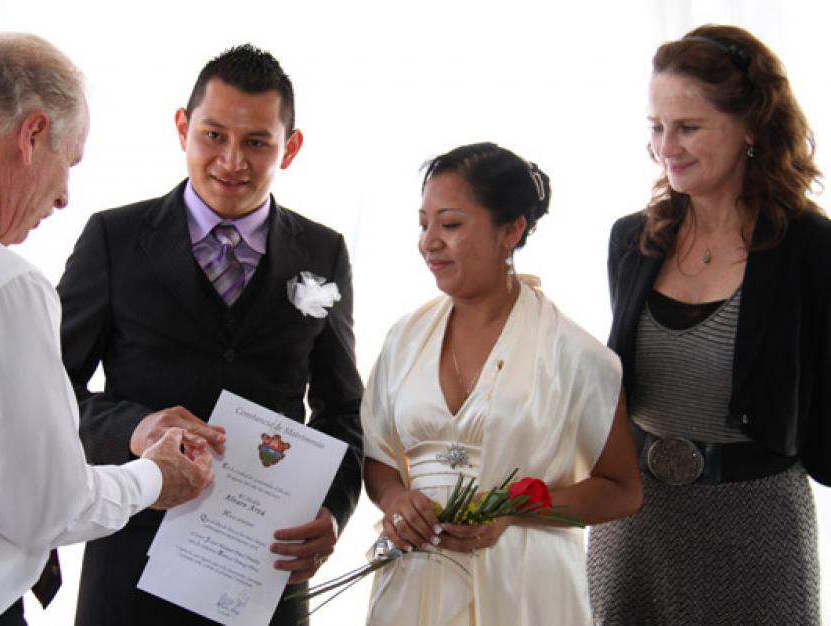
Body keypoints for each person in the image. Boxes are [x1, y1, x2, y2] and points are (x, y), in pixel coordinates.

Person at [0, 33, 219, 626]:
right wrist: (152, 478)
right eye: (69, 162)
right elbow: (41, 511)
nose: (65, 196)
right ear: (33, 134)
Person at [57, 43, 364, 625]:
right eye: (214, 135)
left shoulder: (325, 250)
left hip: (264, 572)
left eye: (256, 142)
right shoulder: (112, 239)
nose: (231, 160)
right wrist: (134, 428)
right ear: (182, 127)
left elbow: (343, 407)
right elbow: (47, 390)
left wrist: (332, 510)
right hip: (131, 564)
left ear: (290, 148)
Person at [586, 24, 831, 624]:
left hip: (756, 524)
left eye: (688, 127)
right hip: (636, 524)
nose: (667, 145)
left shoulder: (810, 247)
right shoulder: (632, 240)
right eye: (656, 126)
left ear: (751, 128)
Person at [361, 142, 643, 625]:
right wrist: (395, 500)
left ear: (510, 230)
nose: (429, 241)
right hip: (414, 585)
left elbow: (622, 490)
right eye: (423, 223)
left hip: (527, 588)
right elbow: (379, 459)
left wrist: (514, 509)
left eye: (449, 224)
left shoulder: (575, 353)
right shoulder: (402, 339)